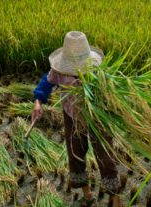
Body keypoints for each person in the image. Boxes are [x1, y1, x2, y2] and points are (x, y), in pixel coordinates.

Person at [32, 31, 122, 207]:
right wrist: (37, 102)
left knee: (105, 156)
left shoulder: (97, 71)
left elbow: (112, 92)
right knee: (75, 152)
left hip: (96, 117)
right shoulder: (59, 71)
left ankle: (115, 197)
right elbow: (46, 83)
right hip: (71, 116)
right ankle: (86, 193)